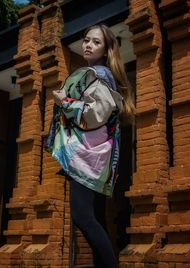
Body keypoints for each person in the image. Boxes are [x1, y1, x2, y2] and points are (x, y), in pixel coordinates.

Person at [46, 24, 135, 268]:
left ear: (106, 51)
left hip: (88, 158)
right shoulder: (97, 74)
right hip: (94, 157)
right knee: (95, 217)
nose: (88, 45)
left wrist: (63, 100)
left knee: (82, 216)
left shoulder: (100, 75)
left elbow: (94, 116)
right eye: (86, 40)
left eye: (96, 42)